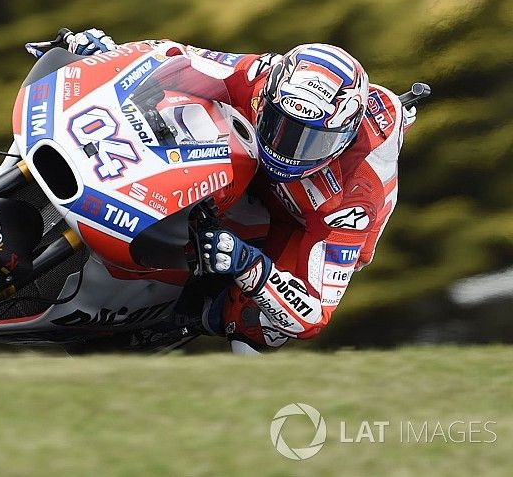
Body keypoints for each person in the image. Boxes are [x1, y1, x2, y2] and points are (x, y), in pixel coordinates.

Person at [59, 28, 416, 354]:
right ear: (269, 97)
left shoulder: (356, 193)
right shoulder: (258, 76)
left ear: (345, 135)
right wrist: (111, 55)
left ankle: (196, 318)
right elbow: (177, 58)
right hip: (251, 168)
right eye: (281, 126)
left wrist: (248, 264)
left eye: (312, 140)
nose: (286, 149)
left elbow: (313, 314)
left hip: (304, 224)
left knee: (264, 325)